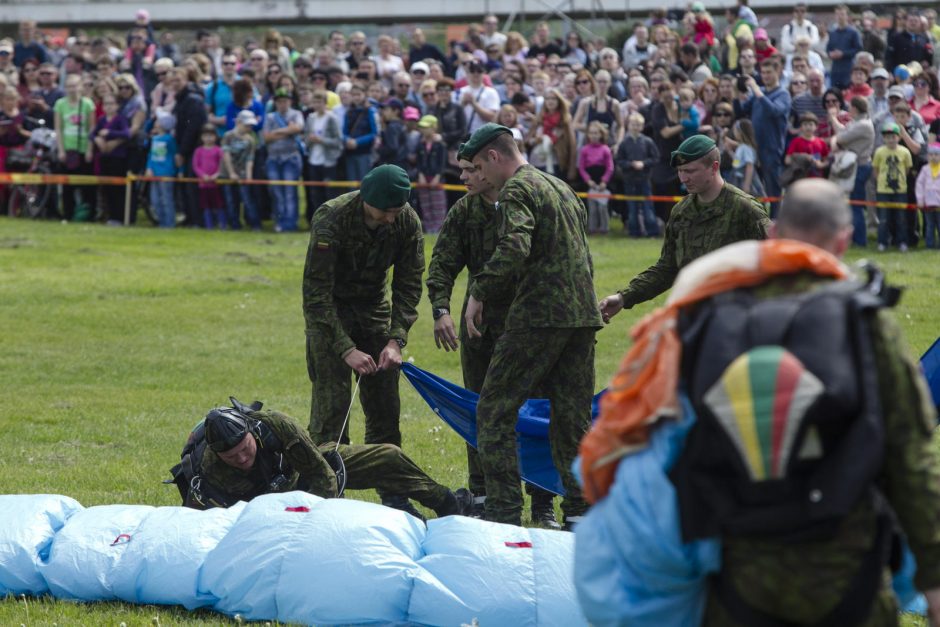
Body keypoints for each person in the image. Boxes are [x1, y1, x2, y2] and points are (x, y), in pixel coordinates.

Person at [578, 178, 940, 627]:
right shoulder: (864, 321)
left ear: (773, 235)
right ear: (843, 242)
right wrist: (933, 575)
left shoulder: (699, 319)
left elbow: (651, 446)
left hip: (733, 573)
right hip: (845, 574)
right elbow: (911, 455)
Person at [458, 123, 602, 529]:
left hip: (540, 315)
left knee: (493, 410)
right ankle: (579, 513)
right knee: (572, 419)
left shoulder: (518, 190)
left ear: (494, 157)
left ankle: (504, 512)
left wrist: (479, 292)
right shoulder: (559, 186)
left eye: (478, 166)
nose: (478, 176)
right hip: (581, 317)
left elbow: (515, 245)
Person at [425, 155, 562, 528]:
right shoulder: (465, 212)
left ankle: (543, 499)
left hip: (529, 325)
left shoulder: (528, 198)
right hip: (481, 328)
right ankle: (484, 494)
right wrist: (441, 310)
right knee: (481, 409)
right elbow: (442, 264)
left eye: (472, 170)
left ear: (491, 167)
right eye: (462, 171)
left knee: (537, 411)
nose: (465, 177)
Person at [303, 164, 424, 518]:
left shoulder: (406, 221)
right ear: (366, 201)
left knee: (386, 412)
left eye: (396, 210)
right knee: (330, 415)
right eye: (384, 211)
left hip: (374, 312)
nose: (390, 218)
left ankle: (395, 497)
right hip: (331, 316)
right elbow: (316, 296)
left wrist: (395, 341)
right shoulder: (333, 217)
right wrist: (345, 349)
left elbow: (409, 284)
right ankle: (326, 498)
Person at [180, 402, 473, 521]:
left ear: (251, 433)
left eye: (246, 449)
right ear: (218, 456)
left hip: (304, 476)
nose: (243, 459)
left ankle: (447, 503)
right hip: (264, 513)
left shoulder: (274, 425)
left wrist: (320, 517)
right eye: (233, 458)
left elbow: (323, 474)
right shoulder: (208, 472)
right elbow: (211, 524)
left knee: (387, 456)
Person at [598, 135, 770, 321]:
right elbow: (668, 268)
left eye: (690, 171)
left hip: (735, 320)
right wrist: (624, 297)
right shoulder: (681, 212)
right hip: (691, 320)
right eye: (680, 171)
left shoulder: (745, 209)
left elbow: (775, 266)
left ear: (714, 167)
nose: (683, 178)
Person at [738, 57, 791, 214]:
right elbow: (742, 109)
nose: (765, 76)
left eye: (769, 72)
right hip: (754, 148)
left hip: (771, 148)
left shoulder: (783, 94)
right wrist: (739, 91)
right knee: (755, 188)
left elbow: (773, 110)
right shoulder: (757, 93)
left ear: (778, 72)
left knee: (773, 189)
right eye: (763, 72)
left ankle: (776, 223)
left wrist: (757, 91)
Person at [262, 87, 304, 232]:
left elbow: (298, 129)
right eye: (279, 101)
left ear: (290, 101)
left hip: (290, 158)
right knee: (276, 192)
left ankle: (291, 223)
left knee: (290, 192)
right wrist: (287, 131)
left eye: (285, 101)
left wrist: (275, 132)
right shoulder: (270, 116)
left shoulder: (296, 114)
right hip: (273, 158)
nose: (282, 104)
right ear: (276, 102)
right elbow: (266, 138)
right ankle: (280, 222)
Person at [615, 111, 660, 238]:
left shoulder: (647, 141)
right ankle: (634, 232)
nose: (635, 127)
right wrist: (630, 164)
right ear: (628, 125)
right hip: (629, 180)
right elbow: (619, 160)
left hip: (645, 179)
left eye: (638, 125)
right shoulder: (624, 143)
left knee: (648, 207)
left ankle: (652, 232)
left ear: (642, 126)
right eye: (633, 124)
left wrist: (644, 164)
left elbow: (655, 158)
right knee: (632, 207)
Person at [89, 91, 130, 225]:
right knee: (106, 189)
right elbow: (92, 134)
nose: (108, 107)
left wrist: (110, 133)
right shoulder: (101, 120)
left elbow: (126, 133)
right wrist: (96, 139)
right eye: (106, 104)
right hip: (104, 158)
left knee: (117, 190)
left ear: (117, 105)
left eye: (112, 104)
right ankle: (108, 216)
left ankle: (118, 217)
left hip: (117, 158)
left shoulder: (120, 119)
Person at [873, 122, 914, 253]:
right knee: (884, 219)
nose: (890, 139)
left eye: (893, 136)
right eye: (887, 137)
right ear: (884, 138)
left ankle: (902, 242)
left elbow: (907, 169)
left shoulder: (905, 152)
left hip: (900, 190)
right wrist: (881, 181)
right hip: (883, 190)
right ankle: (882, 242)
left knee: (901, 218)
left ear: (899, 137)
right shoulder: (879, 152)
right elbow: (876, 169)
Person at [578, 120, 614, 234]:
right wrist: (588, 180)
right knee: (592, 208)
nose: (594, 135)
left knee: (602, 208)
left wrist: (604, 181)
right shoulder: (584, 149)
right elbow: (581, 167)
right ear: (588, 134)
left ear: (601, 134)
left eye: (596, 133)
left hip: (602, 180)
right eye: (591, 133)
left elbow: (610, 167)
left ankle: (605, 228)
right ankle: (592, 228)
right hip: (590, 181)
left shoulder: (605, 149)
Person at [414, 114, 447, 234]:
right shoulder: (420, 144)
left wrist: (438, 177)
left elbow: (442, 163)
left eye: (426, 127)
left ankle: (437, 230)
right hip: (423, 179)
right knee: (425, 205)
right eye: (422, 127)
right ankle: (429, 229)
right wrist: (421, 175)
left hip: (436, 180)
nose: (423, 129)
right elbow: (418, 162)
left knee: (438, 206)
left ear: (434, 128)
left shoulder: (440, 145)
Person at [145, 111, 177, 228]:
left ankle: (169, 223)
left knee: (166, 199)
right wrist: (149, 168)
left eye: (158, 121)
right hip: (154, 173)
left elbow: (175, 155)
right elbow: (151, 156)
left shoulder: (170, 139)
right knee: (155, 199)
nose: (155, 123)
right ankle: (161, 222)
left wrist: (179, 171)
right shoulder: (154, 139)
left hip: (166, 173)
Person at [193, 123, 225, 229]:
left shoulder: (218, 150)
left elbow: (222, 164)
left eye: (211, 135)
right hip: (203, 184)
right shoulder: (199, 151)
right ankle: (209, 226)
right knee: (205, 206)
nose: (208, 138)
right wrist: (203, 176)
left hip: (216, 184)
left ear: (216, 137)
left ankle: (222, 225)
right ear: (202, 137)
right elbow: (196, 166)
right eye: (206, 136)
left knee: (219, 205)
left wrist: (217, 175)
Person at [826, 5, 862, 90]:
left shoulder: (853, 32)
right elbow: (828, 48)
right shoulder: (833, 33)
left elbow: (858, 48)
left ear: (847, 16)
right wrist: (830, 54)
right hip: (835, 70)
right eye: (837, 14)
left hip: (848, 69)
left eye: (842, 14)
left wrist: (843, 54)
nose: (839, 17)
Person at [916, 142, 940, 249]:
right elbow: (919, 185)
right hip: (928, 203)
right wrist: (920, 200)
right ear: (927, 156)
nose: (933, 157)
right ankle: (929, 245)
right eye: (931, 155)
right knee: (930, 225)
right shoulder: (925, 169)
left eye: (936, 154)